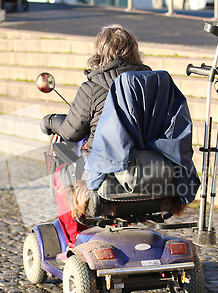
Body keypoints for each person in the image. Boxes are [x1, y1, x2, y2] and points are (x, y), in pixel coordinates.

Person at [40, 24, 151, 247]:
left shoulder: (93, 86)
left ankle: (74, 242)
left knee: (61, 174)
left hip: (104, 170)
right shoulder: (151, 82)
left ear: (100, 52)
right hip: (150, 168)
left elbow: (71, 131)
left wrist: (51, 121)